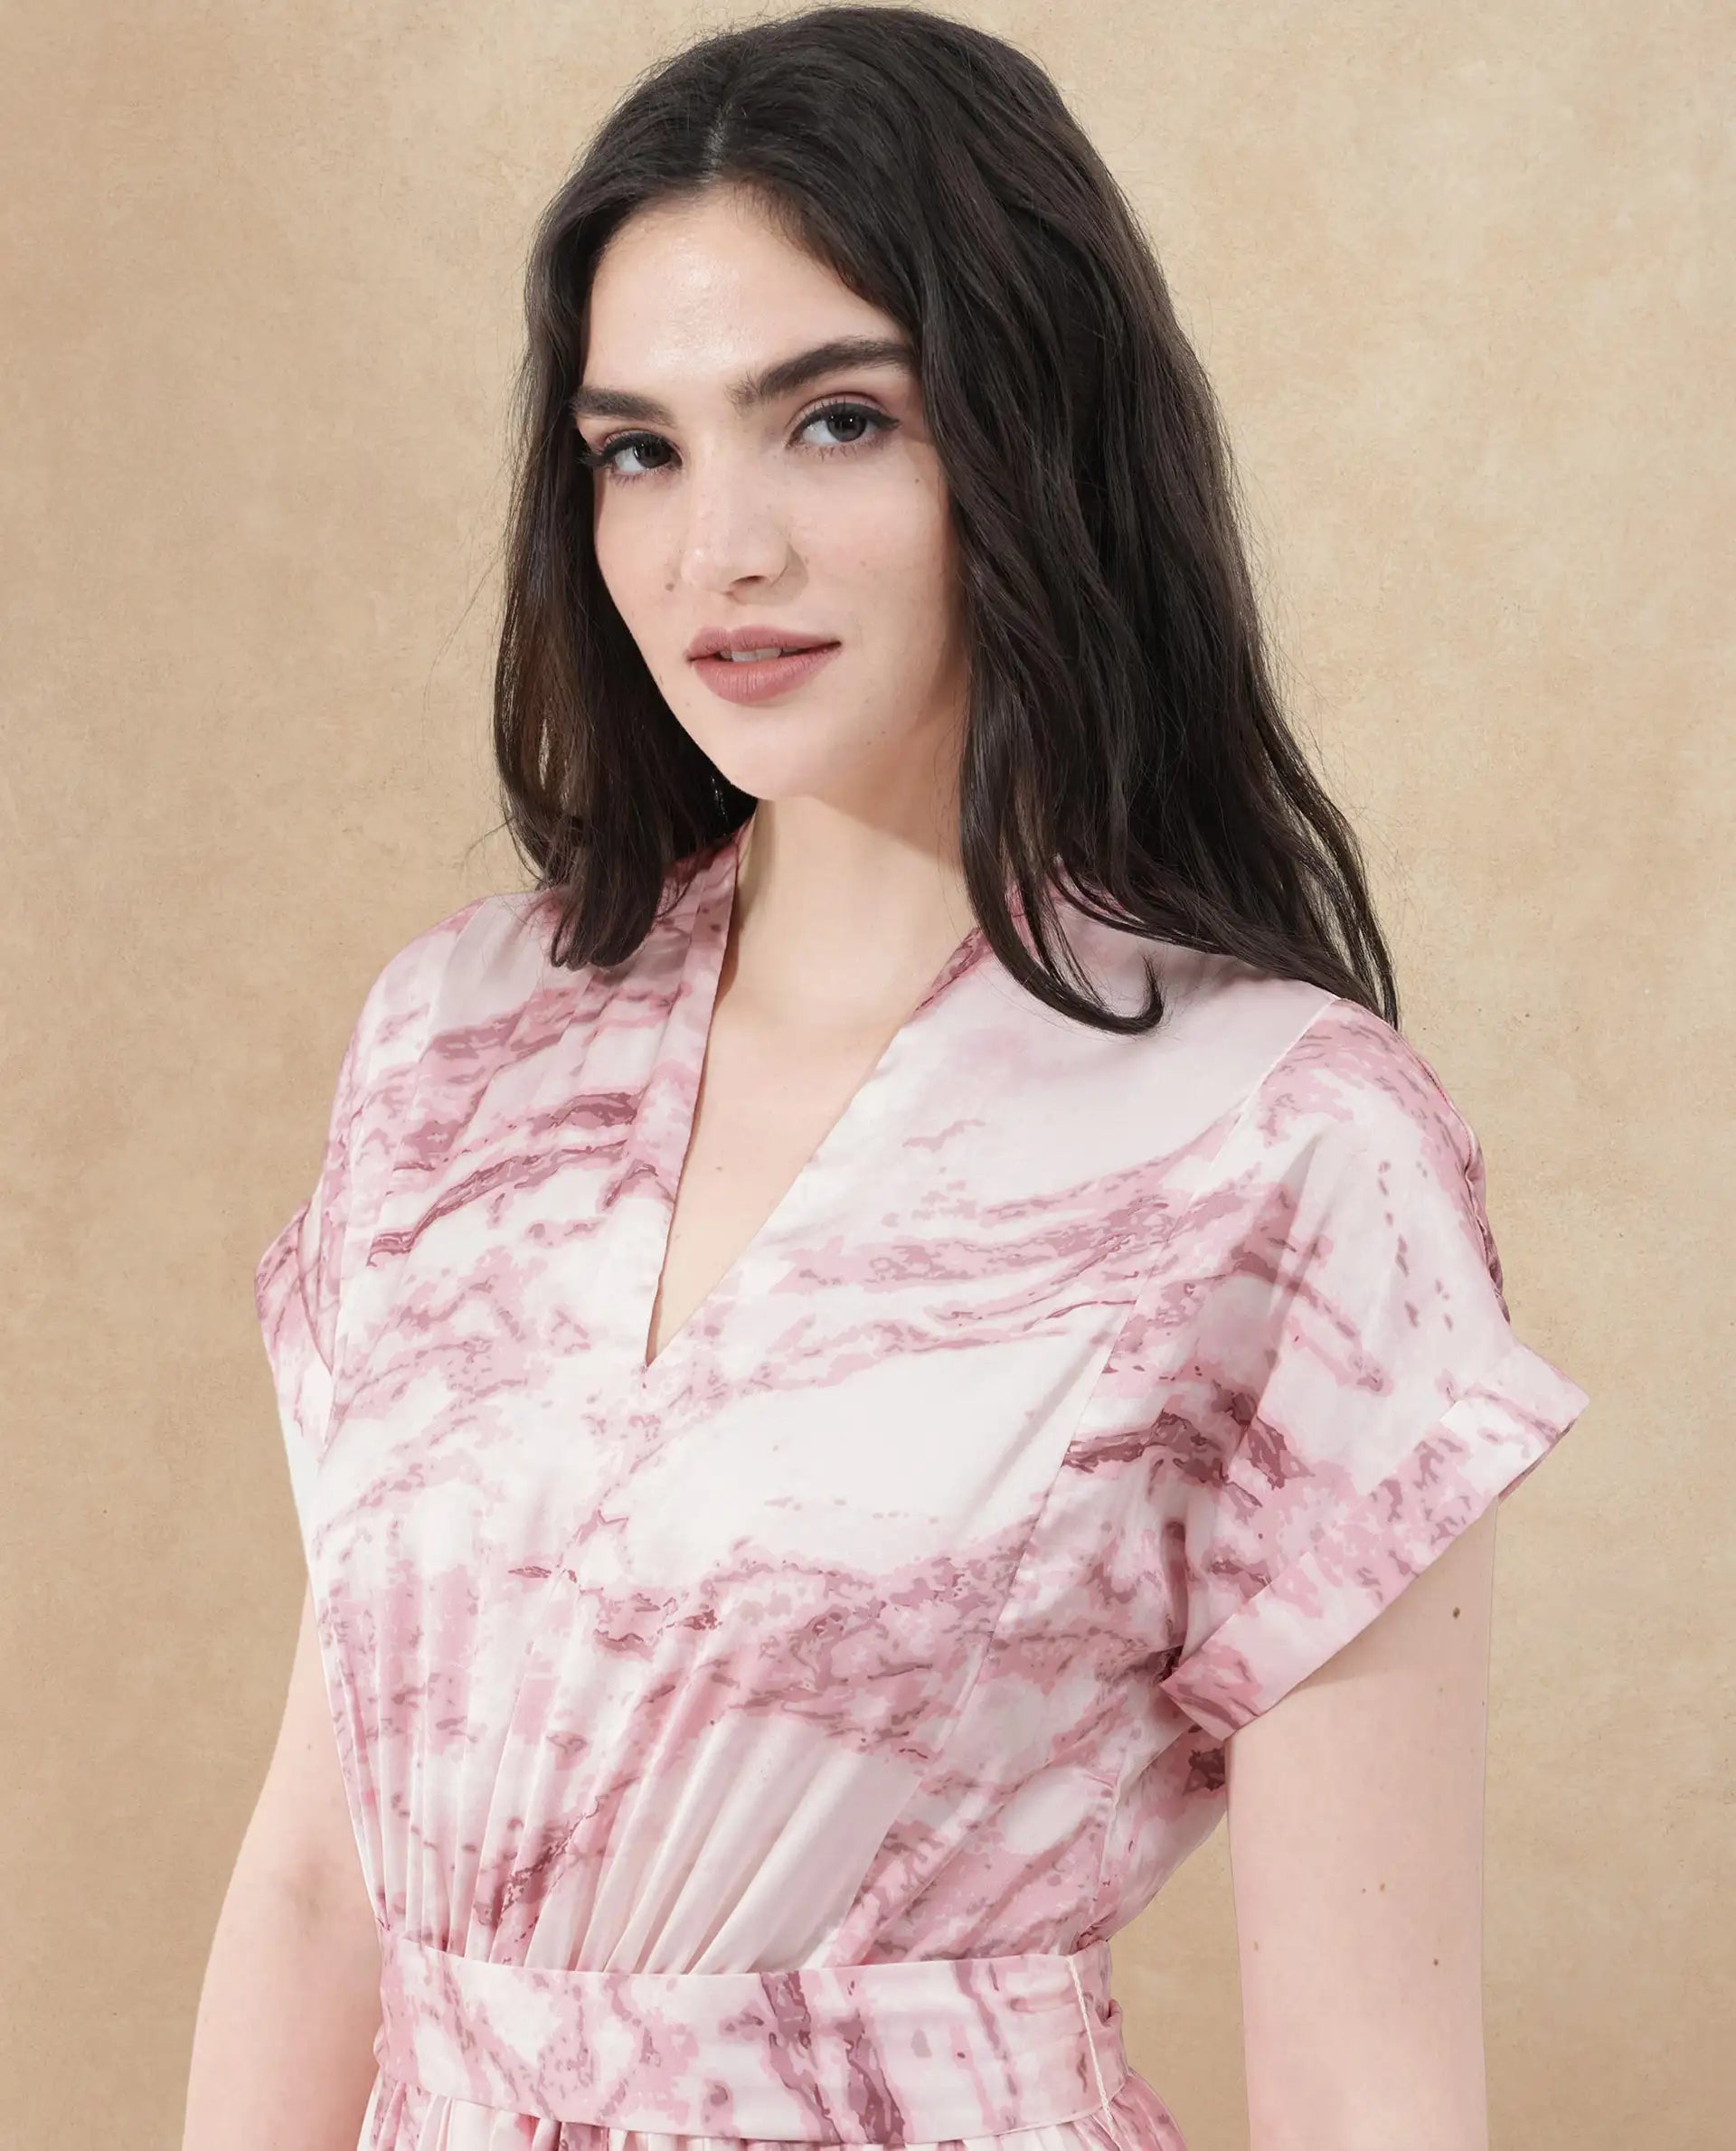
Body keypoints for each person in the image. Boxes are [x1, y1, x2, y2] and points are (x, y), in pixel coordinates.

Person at [184, 9, 1590, 2149]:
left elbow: (1368, 2089)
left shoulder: (1286, 1145)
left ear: (1033, 441)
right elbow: (316, 1885)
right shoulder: (459, 1049)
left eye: (833, 420)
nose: (718, 549)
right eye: (639, 449)